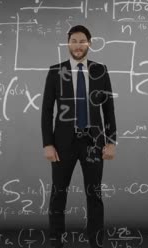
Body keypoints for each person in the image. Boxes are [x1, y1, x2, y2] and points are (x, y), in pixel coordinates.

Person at [41, 25, 117, 248]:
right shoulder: (56, 71)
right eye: (73, 41)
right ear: (68, 43)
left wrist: (111, 141)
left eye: (82, 41)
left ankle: (96, 243)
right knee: (58, 195)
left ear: (89, 43)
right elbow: (46, 111)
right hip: (63, 143)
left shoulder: (100, 71)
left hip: (93, 143)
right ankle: (55, 243)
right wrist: (47, 143)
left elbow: (109, 109)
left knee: (94, 195)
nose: (77, 45)